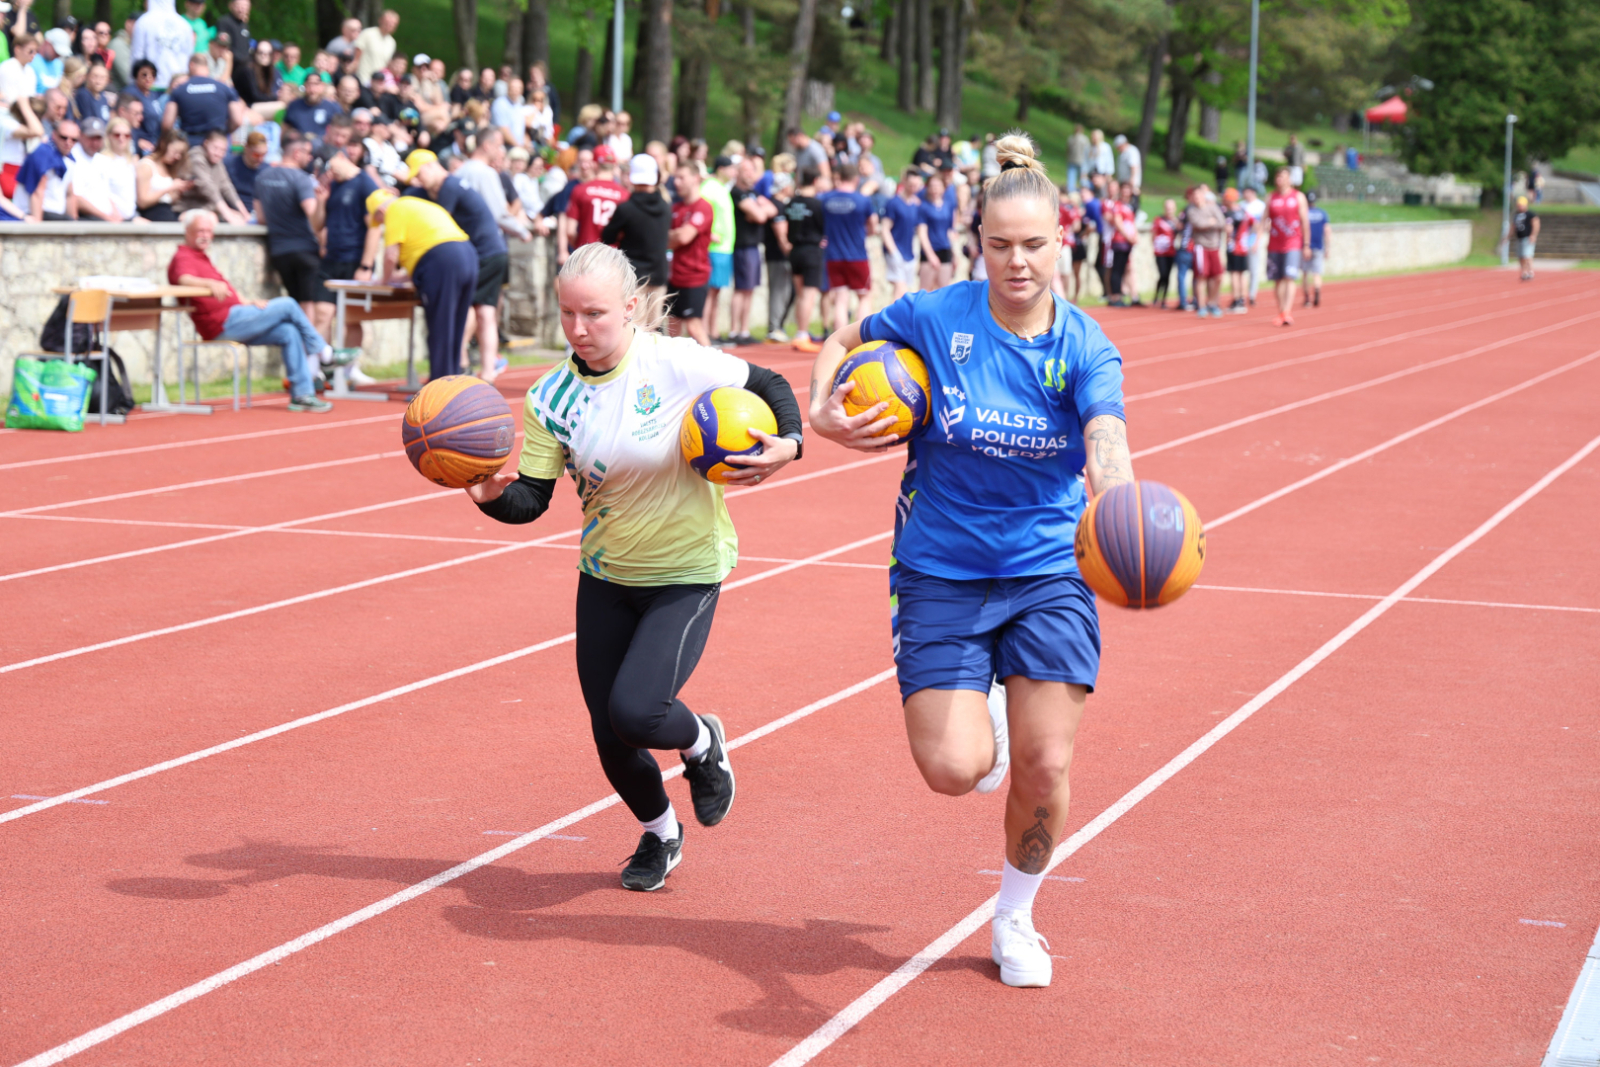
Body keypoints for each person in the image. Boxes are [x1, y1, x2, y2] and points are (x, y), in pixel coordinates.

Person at [808, 131, 1132, 990]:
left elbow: (1106, 438)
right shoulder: (933, 315)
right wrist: (820, 408)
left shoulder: (1085, 346)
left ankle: (1016, 915)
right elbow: (841, 338)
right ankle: (979, 711)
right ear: (975, 241)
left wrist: (1120, 504)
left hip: (1048, 574)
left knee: (1047, 763)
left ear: (1062, 241)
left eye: (1033, 245)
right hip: (940, 569)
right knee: (953, 770)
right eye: (999, 245)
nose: (1016, 262)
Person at [465, 240, 799, 890]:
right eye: (567, 314)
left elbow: (771, 383)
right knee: (609, 733)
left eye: (594, 313)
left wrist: (788, 443)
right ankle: (659, 834)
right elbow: (532, 498)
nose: (578, 329)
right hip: (607, 576)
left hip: (687, 568)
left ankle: (702, 741)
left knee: (638, 711)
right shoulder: (550, 397)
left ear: (632, 306)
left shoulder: (671, 361)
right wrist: (485, 494)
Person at [170, 208, 332, 411]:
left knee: (289, 332)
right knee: (289, 304)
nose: (205, 235)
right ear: (187, 231)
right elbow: (183, 279)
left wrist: (248, 301)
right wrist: (208, 284)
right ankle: (323, 351)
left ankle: (302, 394)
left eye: (208, 231)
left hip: (237, 316)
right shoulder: (183, 257)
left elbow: (228, 295)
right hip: (222, 324)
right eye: (200, 231)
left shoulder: (200, 256)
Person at [403, 148, 509, 381]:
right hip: (494, 251)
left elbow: (440, 222)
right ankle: (487, 372)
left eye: (420, 174)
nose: (420, 181)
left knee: (466, 308)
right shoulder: (454, 184)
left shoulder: (448, 187)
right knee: (485, 313)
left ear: (431, 165)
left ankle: (459, 363)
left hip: (482, 253)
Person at [365, 186, 476, 381]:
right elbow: (423, 250)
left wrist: (383, 281)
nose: (382, 225)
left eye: (379, 221)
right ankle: (452, 381)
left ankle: (438, 386)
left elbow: (391, 255)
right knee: (455, 325)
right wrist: (400, 277)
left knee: (440, 326)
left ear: (381, 212)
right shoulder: (417, 205)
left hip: (443, 260)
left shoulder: (395, 210)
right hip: (467, 254)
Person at [254, 137, 330, 328]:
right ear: (297, 153)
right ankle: (310, 352)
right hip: (305, 250)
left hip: (279, 251)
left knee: (295, 301)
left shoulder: (262, 177)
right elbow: (314, 217)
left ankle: (299, 349)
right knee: (308, 303)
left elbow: (261, 218)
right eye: (307, 153)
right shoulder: (301, 178)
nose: (310, 157)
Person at [600, 152, 671, 301]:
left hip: (633, 275)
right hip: (658, 273)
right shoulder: (665, 207)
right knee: (654, 323)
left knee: (634, 323)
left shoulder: (626, 208)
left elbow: (607, 237)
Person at [819, 159, 878, 331]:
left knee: (840, 299)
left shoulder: (825, 199)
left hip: (833, 256)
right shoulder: (862, 200)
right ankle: (861, 340)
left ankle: (839, 341)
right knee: (864, 297)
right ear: (856, 179)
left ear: (839, 177)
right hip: (857, 255)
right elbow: (872, 225)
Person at [773, 165, 825, 351]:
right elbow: (824, 228)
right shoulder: (817, 205)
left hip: (795, 251)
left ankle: (801, 332)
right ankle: (802, 333)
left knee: (801, 294)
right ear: (816, 181)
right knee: (808, 295)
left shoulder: (791, 202)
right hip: (811, 251)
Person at [666, 158, 714, 345]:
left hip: (694, 276)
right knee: (672, 328)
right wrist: (674, 236)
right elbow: (666, 239)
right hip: (674, 275)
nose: (676, 182)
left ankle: (717, 369)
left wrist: (674, 236)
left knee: (694, 327)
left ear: (695, 178)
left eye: (681, 177)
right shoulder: (676, 208)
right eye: (675, 177)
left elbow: (683, 237)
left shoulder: (703, 206)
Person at [727, 156, 773, 344]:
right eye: (746, 170)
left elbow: (771, 210)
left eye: (752, 170)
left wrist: (757, 211)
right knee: (741, 289)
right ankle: (734, 331)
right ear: (737, 172)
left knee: (750, 289)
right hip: (742, 245)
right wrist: (757, 212)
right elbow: (761, 216)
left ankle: (744, 331)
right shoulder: (736, 192)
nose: (750, 174)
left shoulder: (752, 192)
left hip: (753, 246)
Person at [561, 148, 627, 265]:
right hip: (612, 257)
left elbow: (570, 231)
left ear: (595, 165)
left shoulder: (581, 190)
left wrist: (580, 246)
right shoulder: (624, 195)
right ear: (614, 165)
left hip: (586, 255)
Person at [1264, 166, 1310, 326]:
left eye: (1283, 177)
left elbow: (1305, 222)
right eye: (1278, 177)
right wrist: (1264, 228)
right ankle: (1281, 311)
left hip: (1293, 243)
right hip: (1274, 245)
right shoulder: (1271, 197)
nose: (1280, 180)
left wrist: (1306, 244)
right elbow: (1264, 219)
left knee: (1289, 277)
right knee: (1277, 280)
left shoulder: (1298, 197)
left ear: (1289, 179)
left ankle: (1287, 311)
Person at [71, 115, 140, 221]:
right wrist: (108, 217)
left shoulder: (99, 159)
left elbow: (105, 194)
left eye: (98, 138)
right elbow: (76, 197)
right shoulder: (74, 157)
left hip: (116, 217)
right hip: (90, 219)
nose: (95, 142)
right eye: (91, 137)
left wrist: (116, 217)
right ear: (81, 136)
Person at [163, 52, 240, 145]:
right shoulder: (224, 88)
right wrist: (225, 133)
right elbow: (237, 120)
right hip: (218, 144)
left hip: (191, 143)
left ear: (191, 65)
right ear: (207, 67)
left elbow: (167, 124)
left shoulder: (180, 89)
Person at [700, 154, 737, 343]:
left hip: (724, 248)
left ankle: (713, 332)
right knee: (710, 292)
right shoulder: (709, 187)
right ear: (721, 168)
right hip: (714, 247)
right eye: (731, 168)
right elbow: (701, 209)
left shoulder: (721, 187)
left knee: (717, 292)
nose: (734, 172)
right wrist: (708, 233)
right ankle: (704, 332)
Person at [177, 126, 246, 222]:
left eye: (222, 150)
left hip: (209, 209)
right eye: (215, 148)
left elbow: (227, 187)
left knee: (240, 217)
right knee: (225, 219)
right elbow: (208, 188)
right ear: (206, 144)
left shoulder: (217, 162)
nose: (218, 153)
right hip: (188, 209)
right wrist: (227, 214)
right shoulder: (196, 158)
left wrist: (245, 213)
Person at [13, 117, 77, 220]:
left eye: (74, 139)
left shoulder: (69, 160)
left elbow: (70, 195)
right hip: (32, 213)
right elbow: (37, 192)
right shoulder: (43, 153)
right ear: (54, 135)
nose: (68, 142)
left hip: (55, 215)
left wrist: (77, 226)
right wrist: (38, 229)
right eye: (64, 137)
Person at [881, 167, 925, 304]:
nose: (914, 188)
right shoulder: (894, 203)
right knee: (901, 289)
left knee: (904, 290)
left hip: (909, 252)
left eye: (916, 185)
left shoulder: (916, 205)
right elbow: (885, 229)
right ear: (904, 182)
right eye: (911, 185)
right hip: (895, 250)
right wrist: (893, 251)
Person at [131, 0, 196, 91]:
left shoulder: (143, 22)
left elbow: (137, 56)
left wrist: (133, 85)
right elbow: (189, 57)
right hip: (179, 86)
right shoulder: (184, 25)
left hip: (150, 86)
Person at [763, 171, 795, 343]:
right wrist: (790, 253)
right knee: (778, 291)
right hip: (778, 255)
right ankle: (774, 327)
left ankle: (777, 326)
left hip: (778, 254)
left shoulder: (777, 204)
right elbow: (781, 234)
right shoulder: (778, 205)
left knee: (784, 291)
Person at [1187, 184, 1228, 318]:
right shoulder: (1192, 211)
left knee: (1217, 277)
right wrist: (1210, 222)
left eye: (1199, 195)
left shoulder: (1213, 207)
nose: (1197, 198)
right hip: (1200, 247)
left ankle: (1212, 302)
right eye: (1194, 196)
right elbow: (1198, 224)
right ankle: (1202, 306)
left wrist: (1210, 223)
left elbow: (1222, 223)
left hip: (1214, 246)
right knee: (1201, 276)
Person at [135, 127, 190, 220]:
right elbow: (142, 202)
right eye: (175, 152)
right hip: (151, 213)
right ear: (164, 145)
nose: (177, 157)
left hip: (167, 210)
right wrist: (170, 187)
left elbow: (168, 199)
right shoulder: (146, 166)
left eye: (180, 153)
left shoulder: (168, 168)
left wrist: (179, 191)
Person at [919, 172, 957, 292]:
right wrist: (930, 255)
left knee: (944, 290)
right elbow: (922, 233)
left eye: (937, 185)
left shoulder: (948, 205)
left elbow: (950, 231)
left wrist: (954, 253)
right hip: (930, 251)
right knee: (926, 290)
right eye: (932, 186)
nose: (935, 189)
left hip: (944, 249)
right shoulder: (924, 207)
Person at [284, 71, 340, 142]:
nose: (312, 89)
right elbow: (285, 130)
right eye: (309, 85)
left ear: (322, 86)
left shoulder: (332, 108)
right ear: (304, 86)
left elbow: (341, 132)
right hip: (299, 146)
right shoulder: (294, 106)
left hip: (324, 148)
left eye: (316, 84)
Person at [225, 127, 266, 213]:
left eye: (264, 154)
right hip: (232, 212)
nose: (260, 159)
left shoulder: (267, 170)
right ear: (246, 148)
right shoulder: (229, 164)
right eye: (256, 154)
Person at [1223, 187, 1250, 313]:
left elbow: (1228, 229)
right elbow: (1254, 224)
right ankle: (1242, 299)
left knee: (1234, 273)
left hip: (1233, 247)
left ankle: (1236, 299)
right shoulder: (1243, 211)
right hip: (1243, 246)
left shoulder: (1229, 214)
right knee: (1241, 273)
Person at [354, 9, 398, 83]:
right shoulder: (368, 33)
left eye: (393, 24)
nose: (390, 25)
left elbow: (387, 65)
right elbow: (356, 57)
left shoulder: (392, 42)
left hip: (379, 82)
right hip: (362, 78)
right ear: (380, 20)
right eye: (387, 22)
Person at [74, 61, 116, 126]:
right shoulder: (83, 95)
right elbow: (89, 121)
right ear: (87, 77)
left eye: (102, 78)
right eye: (95, 76)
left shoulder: (103, 98)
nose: (98, 81)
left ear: (107, 81)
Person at [1303, 190, 1327, 306]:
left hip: (1305, 247)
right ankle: (1317, 291)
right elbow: (1327, 231)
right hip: (1318, 246)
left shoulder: (1302, 213)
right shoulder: (1322, 213)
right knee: (1316, 273)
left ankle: (1307, 298)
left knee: (1305, 273)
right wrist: (1328, 248)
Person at [1512, 195, 1540, 282]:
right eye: (1519, 205)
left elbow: (1536, 224)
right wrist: (1507, 237)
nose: (1520, 206)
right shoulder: (1516, 215)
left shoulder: (1530, 214)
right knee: (1521, 256)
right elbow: (1513, 226)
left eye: (1521, 205)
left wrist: (1533, 235)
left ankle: (1530, 271)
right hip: (1519, 238)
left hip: (1527, 238)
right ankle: (1524, 272)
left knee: (1527, 256)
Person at [1113, 134, 1141, 213]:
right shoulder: (1122, 153)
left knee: (1132, 201)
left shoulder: (1131, 151)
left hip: (1129, 183)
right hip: (1123, 182)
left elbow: (1134, 167)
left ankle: (1134, 214)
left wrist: (1132, 183)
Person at [1066, 125, 1088, 193]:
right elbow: (1087, 150)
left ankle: (1071, 191)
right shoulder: (1085, 139)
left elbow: (1068, 150)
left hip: (1072, 160)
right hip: (1082, 160)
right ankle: (1083, 191)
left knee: (1071, 177)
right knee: (1083, 177)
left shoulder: (1071, 138)